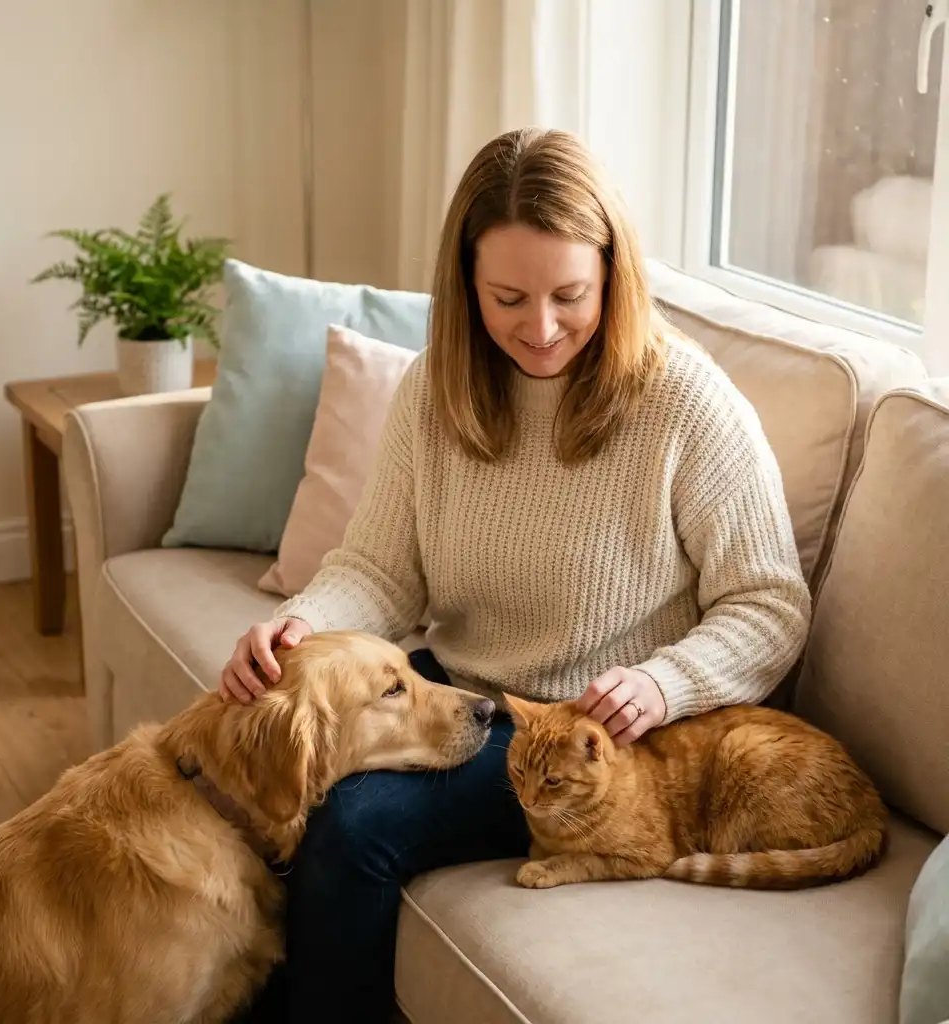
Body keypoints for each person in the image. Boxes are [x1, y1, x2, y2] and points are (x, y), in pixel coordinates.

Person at [222, 127, 811, 1023]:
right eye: (507, 299)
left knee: (354, 826)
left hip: (594, 744)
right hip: (462, 695)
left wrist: (663, 683)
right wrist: (299, 629)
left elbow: (770, 604)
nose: (539, 329)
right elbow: (379, 570)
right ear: (467, 284)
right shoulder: (437, 389)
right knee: (267, 764)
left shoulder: (686, 402)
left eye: (570, 295)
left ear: (612, 273)